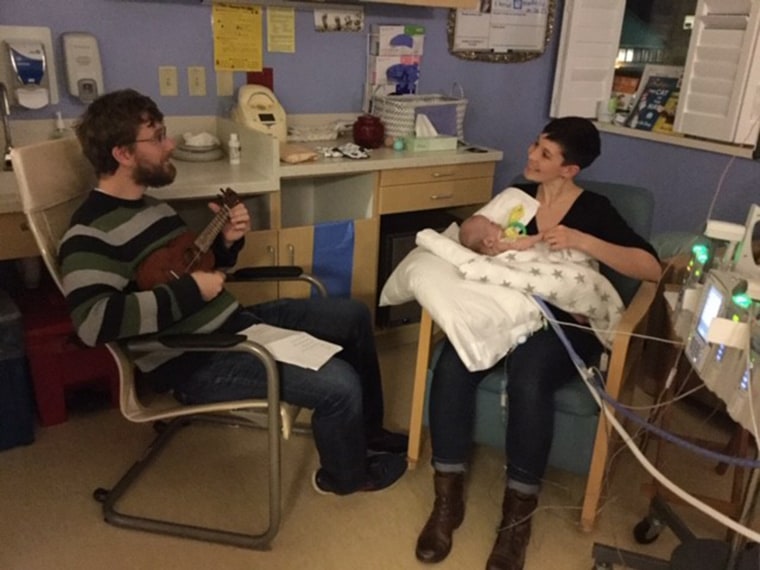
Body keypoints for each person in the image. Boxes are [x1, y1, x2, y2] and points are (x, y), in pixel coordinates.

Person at [59, 89, 408, 496]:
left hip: (235, 324)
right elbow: (92, 323)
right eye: (157, 137)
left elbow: (200, 270)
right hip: (192, 359)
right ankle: (345, 477)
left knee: (352, 315)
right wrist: (192, 292)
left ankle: (367, 432)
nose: (170, 144)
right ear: (122, 154)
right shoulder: (88, 235)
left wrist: (226, 243)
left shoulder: (151, 207)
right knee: (340, 385)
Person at [414, 117, 661, 569]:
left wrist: (582, 240)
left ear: (569, 169)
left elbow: (650, 267)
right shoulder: (517, 196)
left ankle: (516, 520)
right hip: (506, 307)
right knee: (453, 361)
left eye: (545, 154)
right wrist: (483, 238)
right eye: (535, 144)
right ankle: (446, 502)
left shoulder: (594, 209)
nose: (531, 156)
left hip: (565, 321)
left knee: (529, 376)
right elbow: (470, 231)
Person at [458, 214, 542, 255]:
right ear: (489, 241)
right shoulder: (498, 245)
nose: (495, 222)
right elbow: (518, 244)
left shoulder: (489, 248)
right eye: (491, 223)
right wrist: (538, 237)